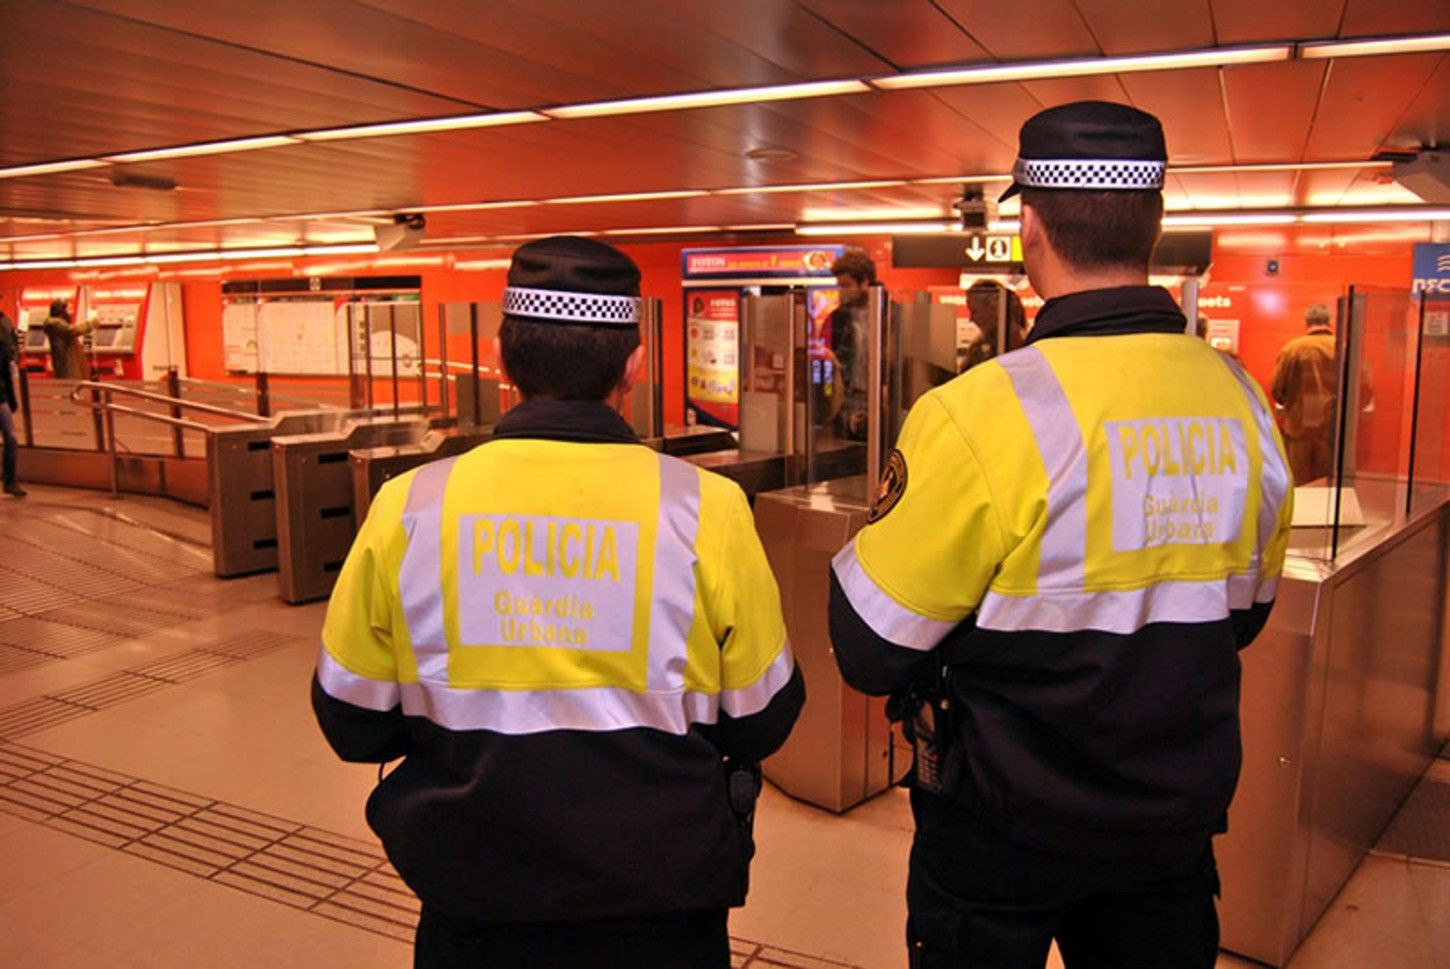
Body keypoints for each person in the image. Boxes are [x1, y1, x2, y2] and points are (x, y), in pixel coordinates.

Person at [827, 101, 1293, 969]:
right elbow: (1247, 612)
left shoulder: (979, 413)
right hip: (1170, 823)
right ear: (1153, 223)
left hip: (998, 827)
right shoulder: (1241, 401)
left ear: (1030, 225)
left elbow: (868, 644)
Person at [312, 235, 804, 969]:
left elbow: (351, 721)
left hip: (475, 909)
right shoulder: (708, 508)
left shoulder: (409, 506)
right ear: (634, 363)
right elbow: (765, 715)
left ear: (502, 360)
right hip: (664, 914)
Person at [1269, 303, 1344, 484]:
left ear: (1307, 322)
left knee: (1298, 485)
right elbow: (1363, 390)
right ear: (1330, 322)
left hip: (1299, 430)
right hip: (1332, 431)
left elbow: (1277, 389)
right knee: (1328, 488)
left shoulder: (1293, 349)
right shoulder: (1344, 348)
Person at [829, 247, 879, 440]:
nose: (842, 292)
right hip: (846, 399)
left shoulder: (888, 316)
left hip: (877, 397)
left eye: (847, 285)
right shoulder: (838, 318)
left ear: (864, 282)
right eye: (839, 286)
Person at [0, 311, 24, 497]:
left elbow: (7, 369)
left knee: (11, 438)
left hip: (1, 397)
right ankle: (10, 482)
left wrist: (12, 398)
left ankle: (10, 481)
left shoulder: (5, 320)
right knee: (10, 437)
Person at [41, 299, 92, 380]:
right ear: (61, 311)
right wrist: (92, 324)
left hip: (69, 366)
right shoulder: (56, 324)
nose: (72, 312)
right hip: (67, 367)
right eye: (69, 309)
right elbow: (74, 330)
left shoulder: (60, 324)